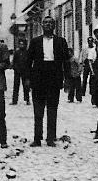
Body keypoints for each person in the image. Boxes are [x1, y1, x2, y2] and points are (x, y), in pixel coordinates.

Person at [28, 17, 71, 146]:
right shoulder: (35, 42)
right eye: (46, 22)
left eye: (50, 23)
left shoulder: (61, 41)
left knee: (52, 109)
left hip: (54, 77)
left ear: (54, 26)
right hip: (39, 78)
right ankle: (37, 138)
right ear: (42, 25)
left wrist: (67, 79)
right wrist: (28, 79)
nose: (48, 25)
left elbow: (66, 62)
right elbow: (28, 62)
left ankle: (51, 138)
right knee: (38, 110)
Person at [10, 24, 33, 106]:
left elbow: (30, 63)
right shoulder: (17, 52)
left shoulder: (27, 53)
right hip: (17, 71)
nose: (21, 45)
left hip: (25, 72)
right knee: (16, 86)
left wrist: (29, 72)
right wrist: (14, 67)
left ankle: (27, 100)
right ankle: (14, 100)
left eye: (23, 44)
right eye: (20, 44)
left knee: (26, 86)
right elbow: (13, 61)